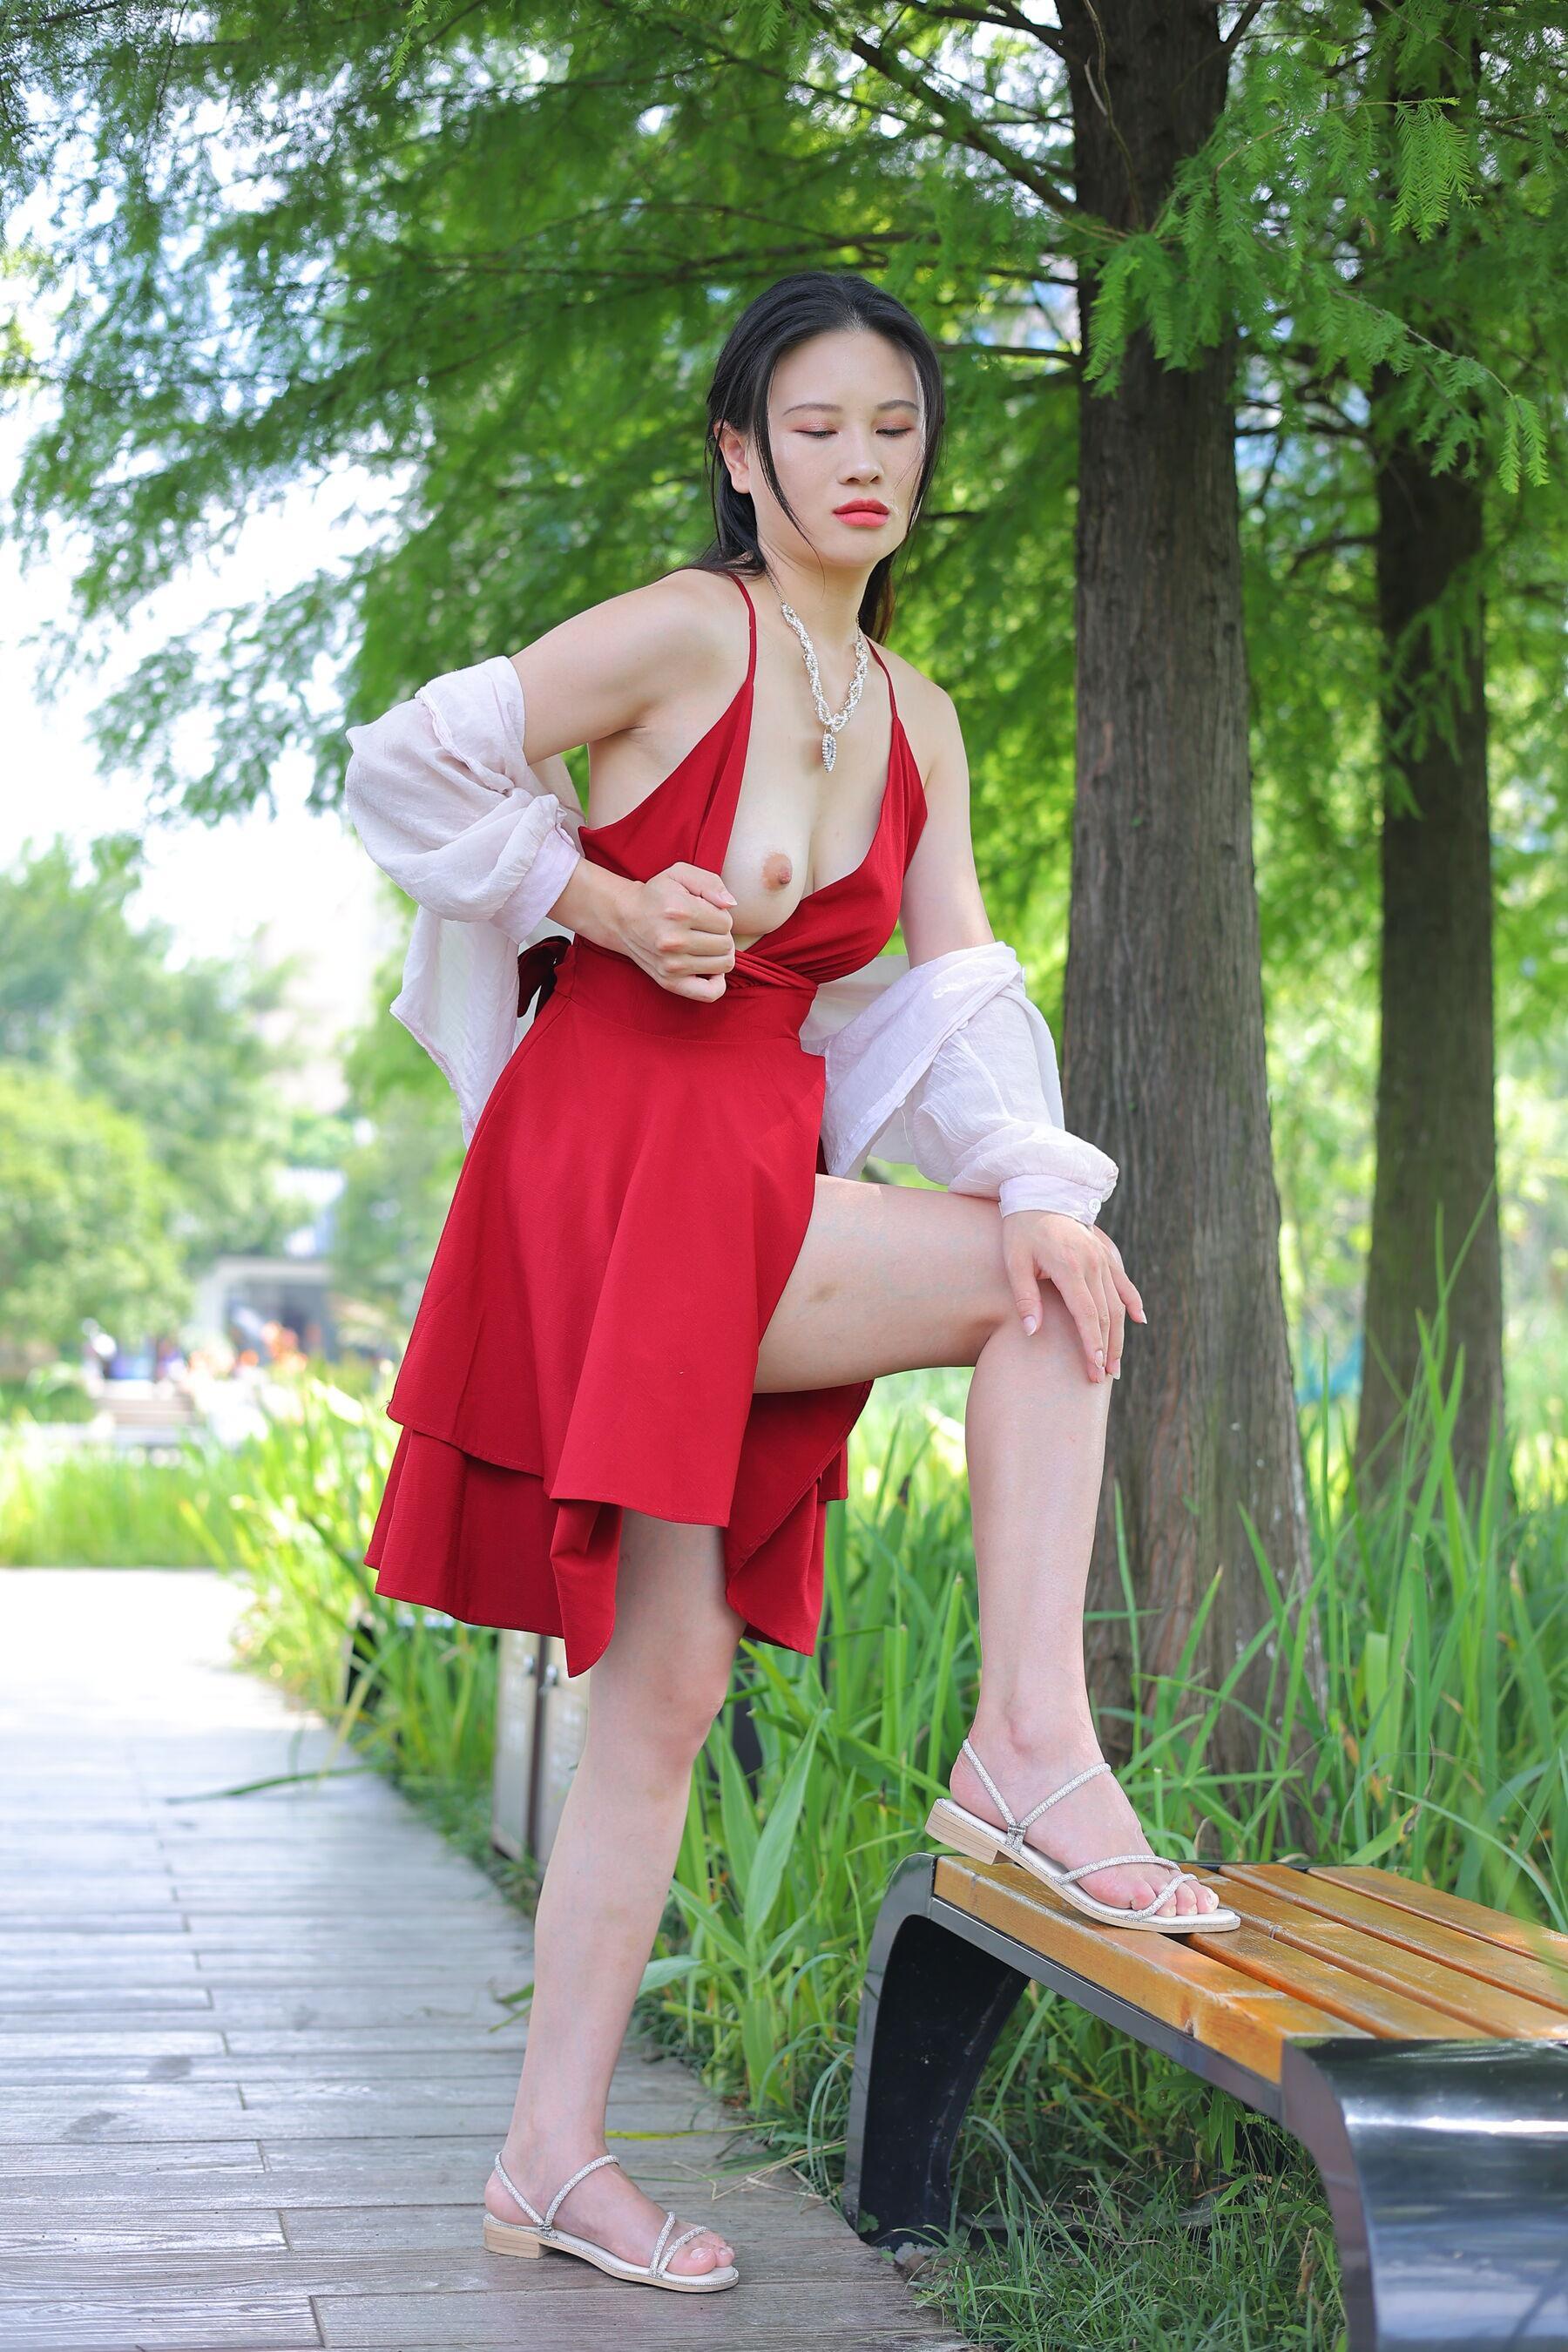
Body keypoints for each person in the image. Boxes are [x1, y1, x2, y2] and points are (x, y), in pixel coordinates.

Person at [344, 271, 1234, 2300]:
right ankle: (1033, 1748)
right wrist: (590, 893)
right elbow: (401, 766)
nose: (861, 461)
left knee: (669, 1685)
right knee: (1032, 1297)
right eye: (817, 427)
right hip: (614, 1152)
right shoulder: (687, 628)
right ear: (742, 456)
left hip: (748, 1157)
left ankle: (546, 2161)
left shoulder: (918, 716)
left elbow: (959, 983)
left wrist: (1038, 1178)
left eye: (894, 429)